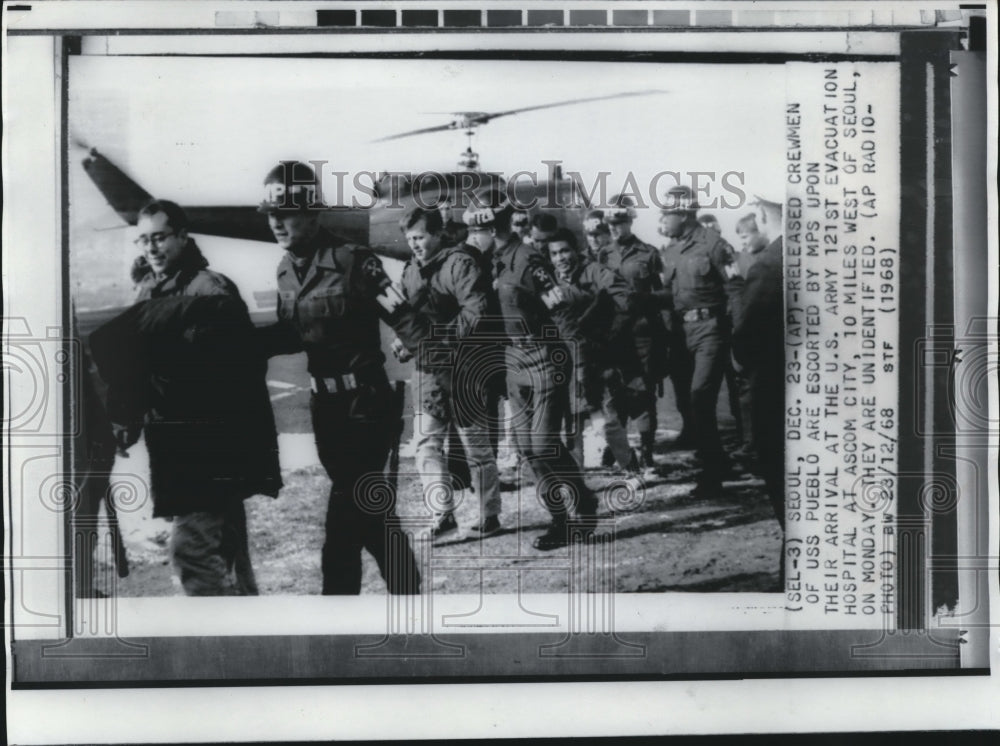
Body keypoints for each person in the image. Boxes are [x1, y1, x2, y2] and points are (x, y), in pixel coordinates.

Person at [90, 199, 282, 596]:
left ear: (181, 236)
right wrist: (128, 416)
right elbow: (141, 366)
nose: (151, 248)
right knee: (227, 551)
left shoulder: (210, 288)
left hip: (209, 446)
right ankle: (250, 636)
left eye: (159, 238)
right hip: (178, 445)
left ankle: (221, 641)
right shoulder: (150, 291)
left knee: (191, 553)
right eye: (143, 240)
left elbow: (239, 368)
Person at [255, 161, 421, 595]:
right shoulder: (285, 270)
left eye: (287, 212)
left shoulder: (353, 261)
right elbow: (294, 333)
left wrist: (448, 376)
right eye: (272, 214)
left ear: (312, 213)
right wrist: (238, 344)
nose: (277, 222)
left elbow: (407, 319)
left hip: (366, 407)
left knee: (342, 528)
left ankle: (336, 615)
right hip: (326, 414)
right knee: (373, 516)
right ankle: (411, 598)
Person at [464, 188, 595, 551]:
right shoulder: (489, 261)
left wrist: (575, 359)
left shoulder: (528, 260)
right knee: (527, 448)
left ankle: (583, 505)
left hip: (543, 356)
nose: (475, 237)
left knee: (543, 444)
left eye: (480, 229)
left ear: (494, 227)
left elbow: (562, 307)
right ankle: (561, 519)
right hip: (513, 361)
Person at [390, 207, 502, 539]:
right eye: (410, 239)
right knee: (425, 444)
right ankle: (442, 515)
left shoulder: (460, 264)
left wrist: (435, 338)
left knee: (475, 447)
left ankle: (489, 515)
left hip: (464, 367)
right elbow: (408, 316)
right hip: (427, 372)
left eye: (421, 237)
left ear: (439, 234)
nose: (415, 245)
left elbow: (477, 311)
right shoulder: (410, 271)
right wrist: (403, 340)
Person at [658, 185, 744, 497]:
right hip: (682, 334)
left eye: (666, 215)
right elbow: (672, 294)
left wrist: (737, 334)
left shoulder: (715, 245)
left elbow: (736, 289)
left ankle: (713, 474)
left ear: (682, 214)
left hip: (712, 329)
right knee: (690, 401)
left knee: (701, 397)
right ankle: (717, 460)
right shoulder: (671, 251)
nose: (663, 221)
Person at [542, 228, 640, 475]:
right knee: (572, 422)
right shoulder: (547, 279)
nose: (560, 258)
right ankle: (578, 481)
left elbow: (624, 299)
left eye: (565, 251)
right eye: (554, 254)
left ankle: (631, 467)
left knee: (604, 419)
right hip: (562, 358)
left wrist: (605, 332)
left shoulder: (594, 271)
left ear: (576, 250)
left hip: (593, 357)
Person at [732, 193, 785, 581]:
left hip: (777, 397)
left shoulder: (767, 266)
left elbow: (745, 340)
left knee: (786, 492)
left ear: (765, 214)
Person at [602, 194, 671, 470]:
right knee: (615, 393)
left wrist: (663, 337)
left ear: (630, 221)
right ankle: (616, 446)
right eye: (610, 223)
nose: (614, 228)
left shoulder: (650, 254)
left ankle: (646, 450)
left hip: (643, 335)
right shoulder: (603, 254)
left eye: (619, 222)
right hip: (614, 336)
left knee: (643, 394)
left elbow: (665, 295)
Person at [730, 212, 770, 459]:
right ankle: (750, 443)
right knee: (746, 394)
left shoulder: (769, 260)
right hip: (747, 334)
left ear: (760, 232)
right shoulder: (742, 261)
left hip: (764, 334)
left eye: (745, 237)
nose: (742, 243)